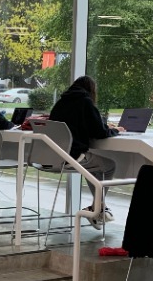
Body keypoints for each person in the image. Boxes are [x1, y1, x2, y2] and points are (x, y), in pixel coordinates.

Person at [49, 75, 123, 228]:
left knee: (93, 169)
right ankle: (97, 208)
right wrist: (115, 130)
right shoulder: (85, 102)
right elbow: (100, 132)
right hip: (73, 156)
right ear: (91, 90)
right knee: (109, 166)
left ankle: (98, 208)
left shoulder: (61, 103)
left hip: (53, 157)